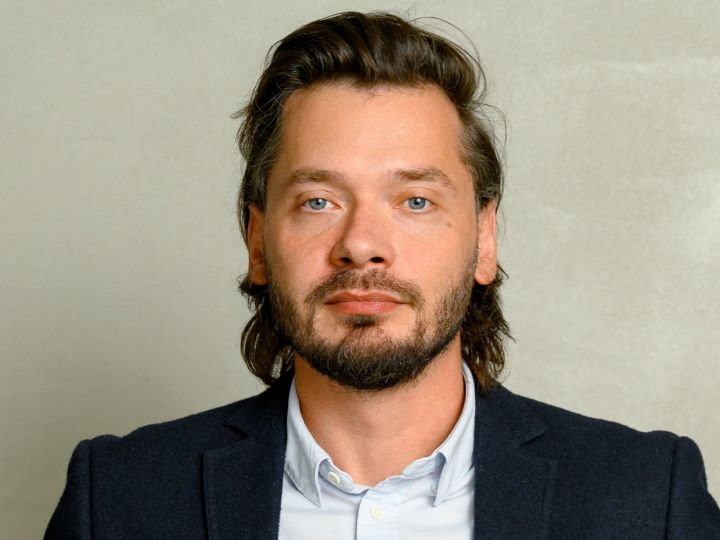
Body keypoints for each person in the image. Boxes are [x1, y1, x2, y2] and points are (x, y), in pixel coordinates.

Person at [45, 11, 720, 539]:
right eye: (319, 201)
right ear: (257, 241)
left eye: (415, 201)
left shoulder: (647, 498)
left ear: (484, 239)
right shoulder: (118, 498)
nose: (362, 246)